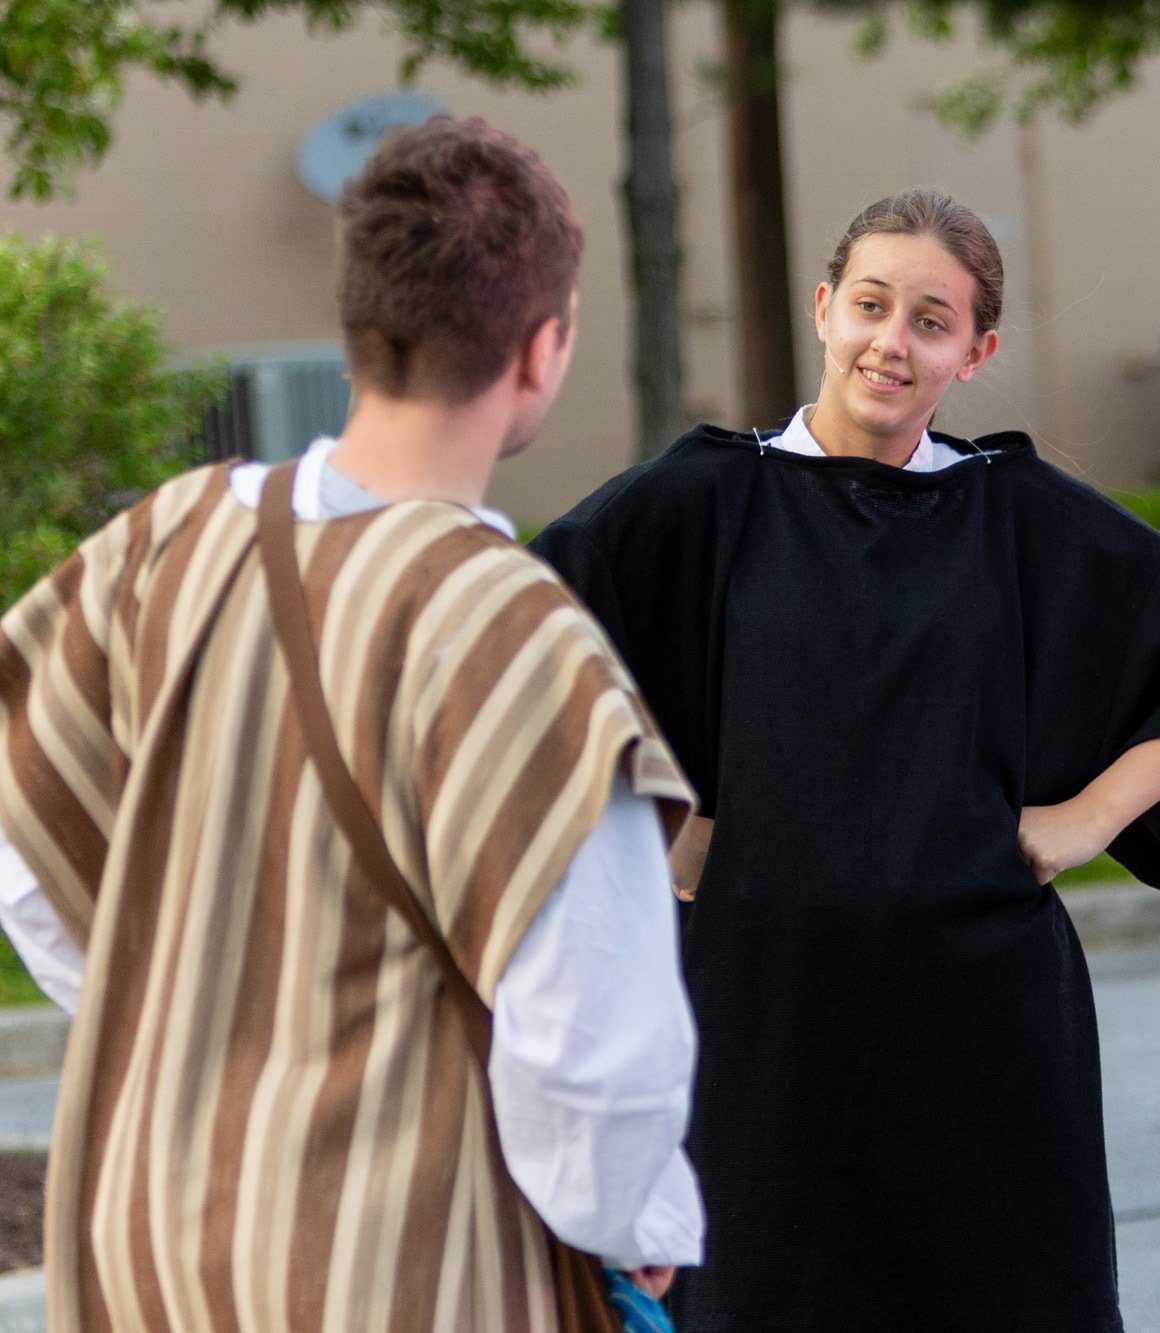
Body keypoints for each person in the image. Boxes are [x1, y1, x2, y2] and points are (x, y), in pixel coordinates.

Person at [529, 187, 1160, 1331]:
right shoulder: (703, 500)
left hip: (982, 1023)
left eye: (929, 320)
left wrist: (1090, 816)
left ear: (975, 350)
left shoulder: (1018, 515)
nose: (889, 342)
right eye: (870, 305)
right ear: (823, 309)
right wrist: (661, 824)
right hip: (759, 1018)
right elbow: (517, 652)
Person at [0, 116, 702, 1330]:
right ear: (542, 348)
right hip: (402, 1272)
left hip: (149, 1257)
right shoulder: (518, 636)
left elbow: (25, 847)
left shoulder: (159, 545)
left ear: (358, 319)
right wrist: (639, 1224)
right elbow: (596, 1059)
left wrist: (186, 1018)